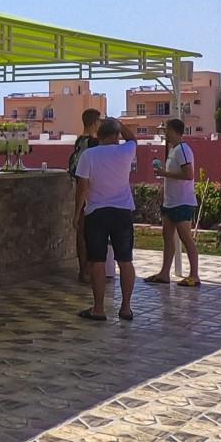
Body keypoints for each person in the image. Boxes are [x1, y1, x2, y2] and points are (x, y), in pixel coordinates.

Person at [73, 116, 138, 321]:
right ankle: (126, 308)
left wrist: (77, 214)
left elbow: (82, 188)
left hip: (97, 212)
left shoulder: (89, 155)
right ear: (116, 135)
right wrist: (119, 124)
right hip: (122, 212)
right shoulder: (125, 151)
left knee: (97, 261)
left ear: (98, 135)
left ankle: (99, 308)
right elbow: (132, 138)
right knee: (125, 261)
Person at [146, 117, 202, 287]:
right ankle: (164, 273)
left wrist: (164, 173)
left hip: (182, 202)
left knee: (186, 238)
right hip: (170, 202)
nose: (165, 134)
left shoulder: (183, 150)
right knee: (167, 236)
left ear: (175, 131)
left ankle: (194, 275)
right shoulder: (173, 150)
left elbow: (188, 174)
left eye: (167, 130)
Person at [68, 108, 102, 281]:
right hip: (92, 196)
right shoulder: (94, 144)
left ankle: (83, 270)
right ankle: (89, 270)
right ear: (95, 122)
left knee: (81, 233)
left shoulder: (79, 141)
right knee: (90, 234)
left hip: (81, 192)